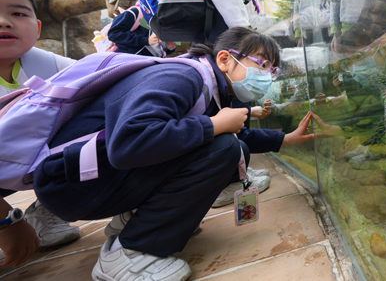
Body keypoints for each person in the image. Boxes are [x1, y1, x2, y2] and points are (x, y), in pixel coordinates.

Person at [0, 26, 317, 280]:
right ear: (224, 59)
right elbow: (129, 143)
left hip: (91, 178)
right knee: (222, 148)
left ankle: (133, 222)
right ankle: (130, 256)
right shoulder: (182, 77)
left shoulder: (210, 88)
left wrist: (286, 138)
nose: (267, 76)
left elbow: (240, 133)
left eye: (271, 71)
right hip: (73, 185)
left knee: (229, 144)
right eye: (261, 64)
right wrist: (213, 126)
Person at [0, 0, 80, 261]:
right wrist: (8, 223)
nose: (4, 22)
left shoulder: (45, 63)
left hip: (23, 160)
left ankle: (48, 209)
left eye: (17, 13)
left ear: (36, 28)